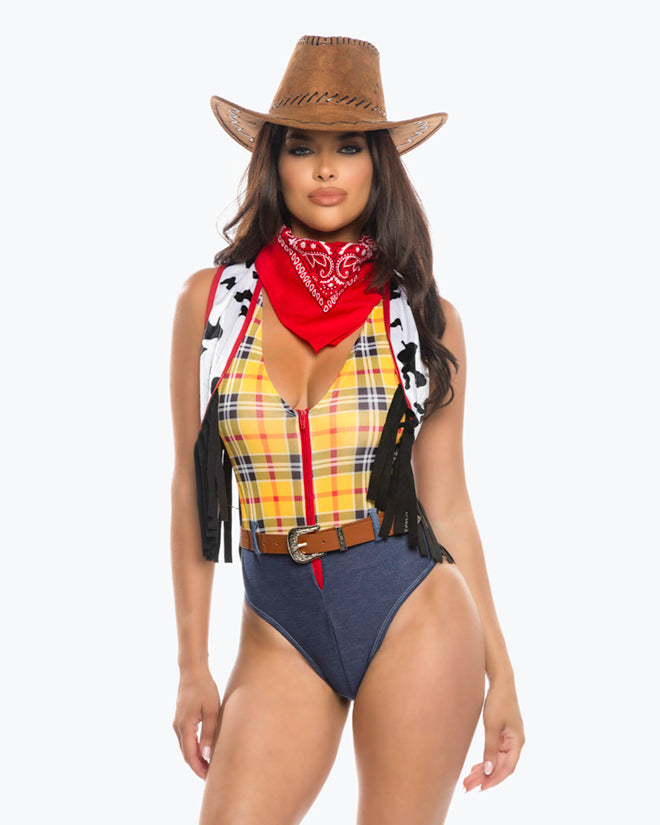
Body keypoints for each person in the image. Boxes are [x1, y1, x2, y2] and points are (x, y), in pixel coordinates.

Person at [170, 35, 525, 825]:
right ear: (274, 162)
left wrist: (501, 671)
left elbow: (448, 505)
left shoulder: (423, 319)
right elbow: (191, 492)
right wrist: (193, 664)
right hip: (278, 629)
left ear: (377, 166)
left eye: (349, 147)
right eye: (302, 148)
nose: (326, 169)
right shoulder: (212, 306)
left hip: (414, 610)